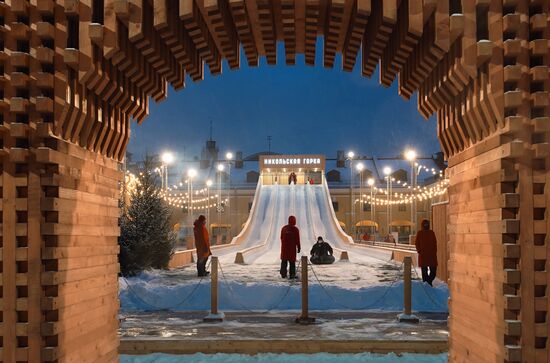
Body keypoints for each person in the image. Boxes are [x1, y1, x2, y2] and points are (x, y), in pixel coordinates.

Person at [415, 219, 438, 286]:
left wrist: (434, 251)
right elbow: (417, 243)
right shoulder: (420, 233)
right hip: (424, 255)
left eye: (427, 224)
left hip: (431, 255)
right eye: (425, 224)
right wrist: (420, 251)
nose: (426, 225)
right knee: (424, 273)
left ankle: (428, 283)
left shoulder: (431, 232)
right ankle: (427, 285)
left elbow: (435, 243)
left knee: (433, 272)